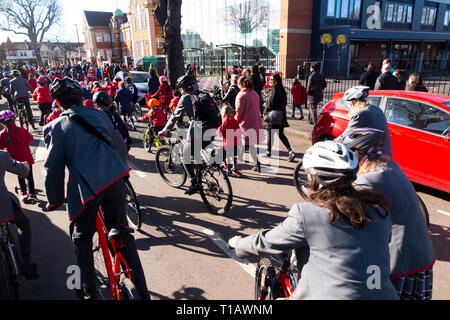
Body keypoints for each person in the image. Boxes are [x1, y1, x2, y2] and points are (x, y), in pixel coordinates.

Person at [228, 140, 399, 300]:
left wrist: (239, 243)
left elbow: (267, 242)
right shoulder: (378, 210)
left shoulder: (307, 214)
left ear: (315, 179)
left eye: (308, 174)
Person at [44, 77, 149, 300]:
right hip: (115, 179)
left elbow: (53, 168)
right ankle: (142, 291)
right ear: (81, 98)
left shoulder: (56, 127)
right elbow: (117, 142)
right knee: (123, 231)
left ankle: (89, 292)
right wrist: (122, 171)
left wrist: (54, 199)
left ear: (58, 103)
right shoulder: (100, 115)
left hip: (87, 190)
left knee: (81, 238)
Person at [338, 127, 435, 300]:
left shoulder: (367, 180)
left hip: (404, 258)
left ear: (359, 156)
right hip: (419, 252)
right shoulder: (390, 166)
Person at [159, 74, 221, 195]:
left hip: (198, 128)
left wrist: (166, 130)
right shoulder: (205, 94)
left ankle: (194, 182)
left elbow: (175, 116)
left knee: (184, 154)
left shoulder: (185, 98)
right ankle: (209, 161)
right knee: (198, 149)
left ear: (183, 88)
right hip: (213, 128)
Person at [0, 144, 39, 280]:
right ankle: (26, 265)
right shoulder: (2, 156)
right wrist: (25, 164)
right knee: (24, 224)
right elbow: (24, 171)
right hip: (3, 206)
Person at [340, 86, 393, 158]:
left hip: (373, 158)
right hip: (386, 154)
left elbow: (346, 136)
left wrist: (333, 142)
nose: (349, 106)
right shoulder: (377, 109)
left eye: (349, 103)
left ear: (354, 101)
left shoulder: (359, 114)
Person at [0, 110, 37, 203]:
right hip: (27, 157)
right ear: (14, 119)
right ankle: (32, 194)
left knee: (20, 175)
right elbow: (30, 139)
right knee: (30, 176)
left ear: (2, 123)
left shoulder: (2, 135)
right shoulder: (21, 130)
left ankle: (24, 192)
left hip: (15, 160)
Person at [264, 74, 296, 162]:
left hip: (273, 116)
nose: (270, 81)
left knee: (270, 132)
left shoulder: (274, 90)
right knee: (280, 134)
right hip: (281, 115)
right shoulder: (282, 90)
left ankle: (268, 152)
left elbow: (270, 104)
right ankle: (290, 152)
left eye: (271, 80)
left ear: (276, 81)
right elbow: (284, 103)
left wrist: (264, 112)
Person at [235, 76, 263, 172]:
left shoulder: (241, 95)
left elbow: (238, 112)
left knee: (247, 143)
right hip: (255, 121)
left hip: (245, 124)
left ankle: (256, 163)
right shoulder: (255, 94)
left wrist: (235, 122)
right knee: (245, 143)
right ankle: (239, 159)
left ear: (240, 84)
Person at [219, 105, 241, 178]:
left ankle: (228, 169)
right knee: (234, 156)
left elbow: (221, 131)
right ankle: (234, 168)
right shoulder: (234, 120)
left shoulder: (225, 120)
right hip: (235, 141)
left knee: (228, 156)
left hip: (228, 142)